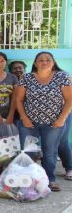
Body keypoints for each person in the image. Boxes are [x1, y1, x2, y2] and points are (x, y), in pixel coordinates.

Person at [16, 51, 72, 192]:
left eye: (48, 59)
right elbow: (19, 100)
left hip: (54, 123)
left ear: (53, 62)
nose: (44, 62)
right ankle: (27, 181)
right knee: (28, 152)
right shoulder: (27, 78)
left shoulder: (62, 76)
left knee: (50, 152)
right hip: (29, 123)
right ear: (35, 63)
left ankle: (49, 180)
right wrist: (24, 118)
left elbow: (70, 99)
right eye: (41, 60)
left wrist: (61, 119)